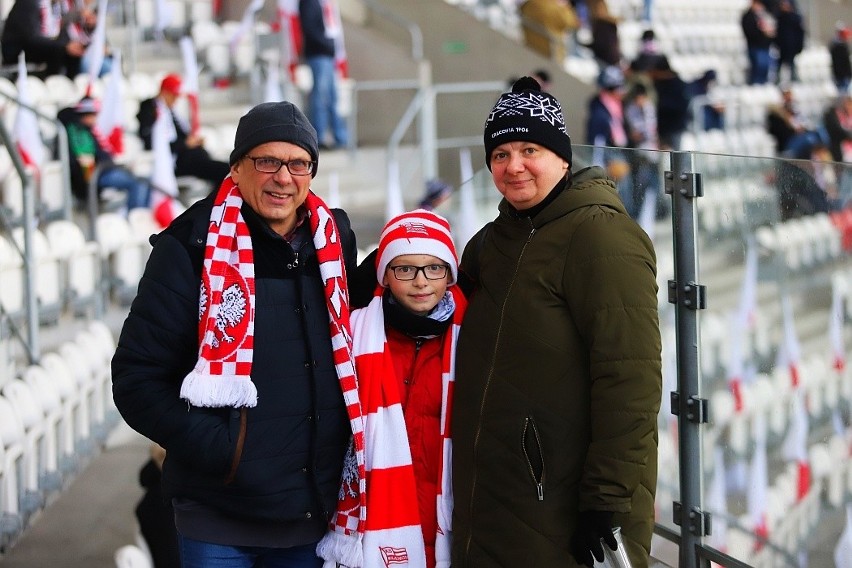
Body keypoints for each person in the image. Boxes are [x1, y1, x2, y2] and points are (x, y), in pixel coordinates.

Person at [111, 100, 360, 567]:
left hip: (310, 514)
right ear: (237, 168)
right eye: (266, 161)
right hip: (218, 517)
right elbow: (136, 377)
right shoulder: (189, 245)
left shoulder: (333, 242)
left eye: (298, 163)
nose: (283, 177)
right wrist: (222, 448)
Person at [451, 76, 661, 567]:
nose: (514, 166)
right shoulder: (495, 239)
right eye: (500, 154)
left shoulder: (602, 236)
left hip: (565, 506)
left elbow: (630, 378)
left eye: (530, 149)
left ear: (562, 157)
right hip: (495, 497)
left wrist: (607, 500)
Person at [316, 209, 467, 568]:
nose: (421, 281)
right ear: (385, 275)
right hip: (375, 517)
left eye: (434, 267)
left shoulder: (474, 335)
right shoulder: (352, 335)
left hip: (450, 514)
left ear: (450, 273)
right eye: (405, 269)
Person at [58, 96, 152, 211]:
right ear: (86, 114)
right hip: (95, 175)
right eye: (93, 114)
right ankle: (136, 215)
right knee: (138, 182)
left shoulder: (88, 130)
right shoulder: (74, 133)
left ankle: (140, 215)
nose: (96, 118)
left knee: (145, 180)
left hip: (102, 171)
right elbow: (83, 161)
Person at [136, 74, 231, 187]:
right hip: (178, 160)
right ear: (164, 92)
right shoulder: (150, 109)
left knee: (224, 170)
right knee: (225, 171)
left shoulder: (170, 111)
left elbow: (182, 134)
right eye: (173, 95)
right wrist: (185, 144)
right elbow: (151, 141)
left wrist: (193, 142)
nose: (176, 100)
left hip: (190, 157)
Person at [585, 65, 635, 217]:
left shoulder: (616, 107)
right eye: (615, 89)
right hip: (608, 158)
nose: (620, 93)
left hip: (618, 153)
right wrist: (599, 170)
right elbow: (597, 145)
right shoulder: (600, 113)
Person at [298, 0, 349, 150]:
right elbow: (309, 28)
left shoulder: (322, 4)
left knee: (332, 96)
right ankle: (318, 137)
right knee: (320, 97)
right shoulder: (308, 3)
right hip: (318, 53)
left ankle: (339, 136)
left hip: (327, 54)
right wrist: (327, 44)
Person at [0, 0, 93, 78]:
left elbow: (57, 34)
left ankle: (71, 91)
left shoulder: (53, 7)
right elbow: (30, 39)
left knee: (73, 52)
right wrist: (65, 46)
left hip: (36, 49)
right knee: (60, 50)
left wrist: (72, 45)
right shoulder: (29, 3)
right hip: (18, 53)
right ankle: (54, 89)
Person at [741, 0, 776, 85]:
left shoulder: (763, 16)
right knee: (758, 66)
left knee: (765, 67)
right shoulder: (748, 17)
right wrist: (761, 32)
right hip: (755, 45)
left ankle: (763, 83)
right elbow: (749, 31)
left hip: (765, 45)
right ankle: (755, 84)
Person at [772, 0, 805, 84]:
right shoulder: (779, 18)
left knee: (791, 63)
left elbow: (800, 34)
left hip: (791, 46)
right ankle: (777, 79)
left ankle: (794, 79)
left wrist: (799, 46)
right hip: (782, 47)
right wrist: (777, 43)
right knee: (780, 64)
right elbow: (777, 33)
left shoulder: (795, 19)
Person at [829, 22, 852, 94]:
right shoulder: (838, 47)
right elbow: (840, 63)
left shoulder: (840, 46)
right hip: (841, 75)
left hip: (843, 75)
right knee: (843, 94)